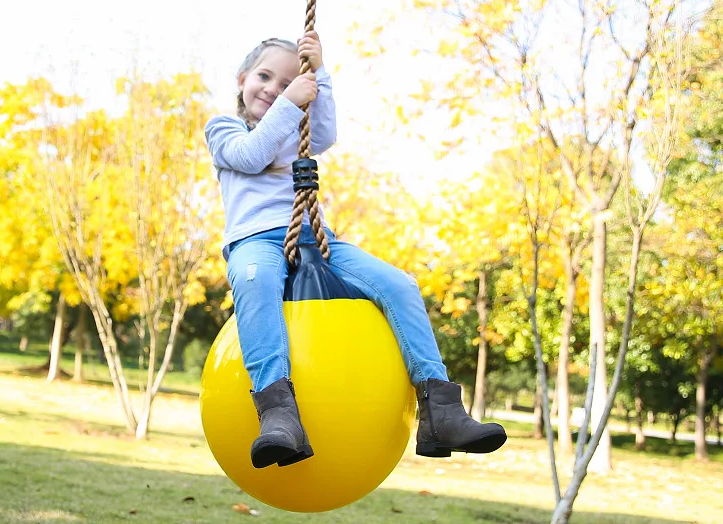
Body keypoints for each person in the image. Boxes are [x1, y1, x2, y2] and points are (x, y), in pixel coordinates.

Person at [204, 31, 507, 469]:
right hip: (255, 242)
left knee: (399, 284)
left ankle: (441, 409)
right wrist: (292, 100)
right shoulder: (225, 128)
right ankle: (277, 414)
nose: (273, 88)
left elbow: (324, 132)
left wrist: (321, 74)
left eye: (286, 80)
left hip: (317, 238)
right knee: (257, 280)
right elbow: (251, 156)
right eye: (265, 76)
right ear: (242, 78)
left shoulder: (293, 128)